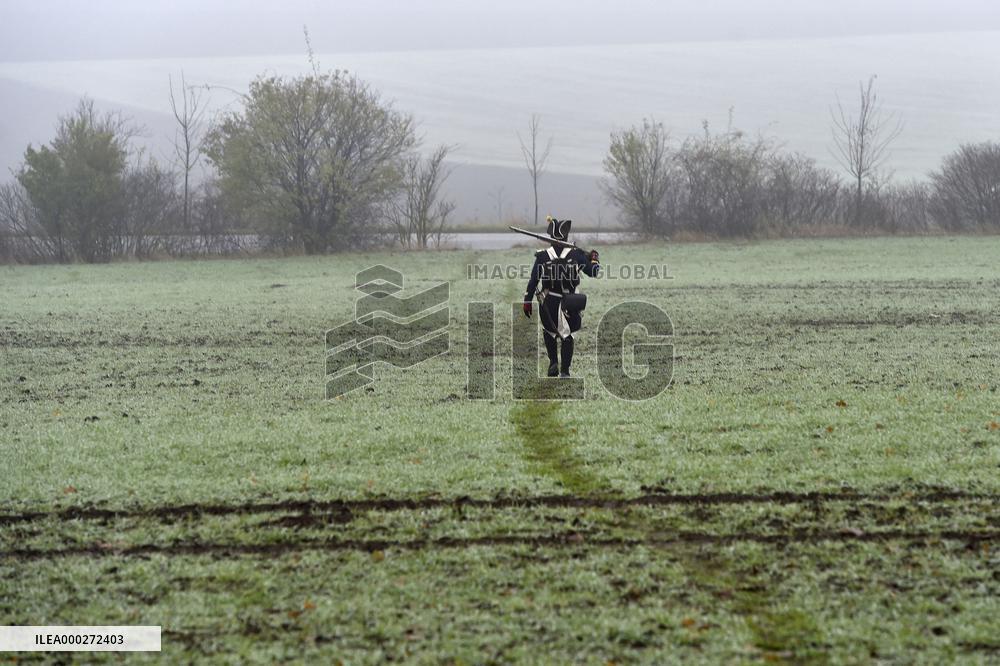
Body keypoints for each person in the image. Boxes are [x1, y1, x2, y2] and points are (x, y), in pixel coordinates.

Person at [522, 216, 600, 377]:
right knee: (568, 335)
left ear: (551, 237)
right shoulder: (577, 255)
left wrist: (527, 300)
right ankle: (564, 371)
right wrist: (594, 260)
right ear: (565, 236)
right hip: (571, 302)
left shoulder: (543, 256)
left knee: (549, 332)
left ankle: (553, 362)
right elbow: (593, 273)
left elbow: (533, 280)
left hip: (548, 301)